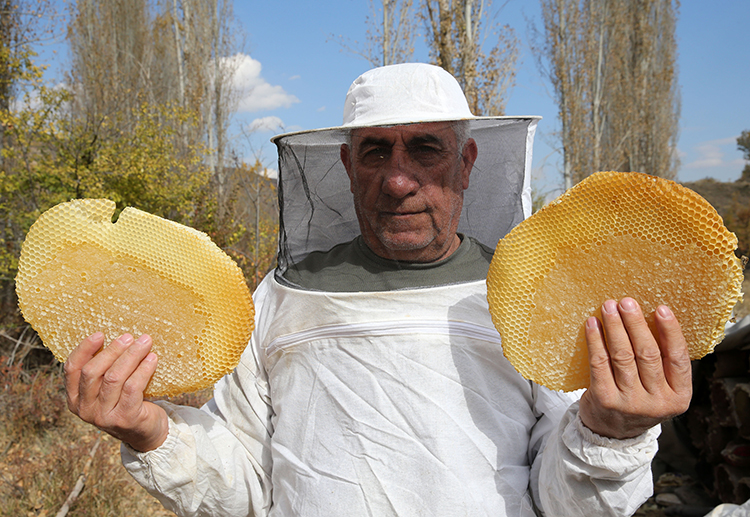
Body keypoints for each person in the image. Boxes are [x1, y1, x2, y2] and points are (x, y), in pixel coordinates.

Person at [63, 63, 692, 516]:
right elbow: (247, 491)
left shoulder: (531, 299)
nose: (398, 181)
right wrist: (150, 431)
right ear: (345, 166)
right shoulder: (281, 297)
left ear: (467, 162)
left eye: (425, 149)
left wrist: (612, 429)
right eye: (374, 152)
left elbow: (568, 505)